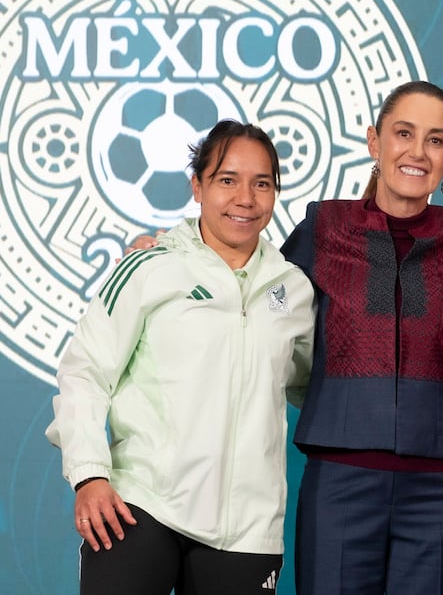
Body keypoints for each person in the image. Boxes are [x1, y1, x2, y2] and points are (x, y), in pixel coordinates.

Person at [45, 120, 316, 594]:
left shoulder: (292, 288)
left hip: (248, 529)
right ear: (198, 185)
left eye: (262, 183)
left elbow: (316, 385)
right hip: (141, 506)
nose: (245, 198)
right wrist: (89, 475)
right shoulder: (151, 266)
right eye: (227, 180)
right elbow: (85, 372)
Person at [282, 80, 443, 595]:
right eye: (404, 133)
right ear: (375, 141)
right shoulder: (323, 225)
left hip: (439, 489)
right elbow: (252, 299)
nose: (418, 152)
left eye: (436, 139)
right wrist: (173, 250)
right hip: (339, 479)